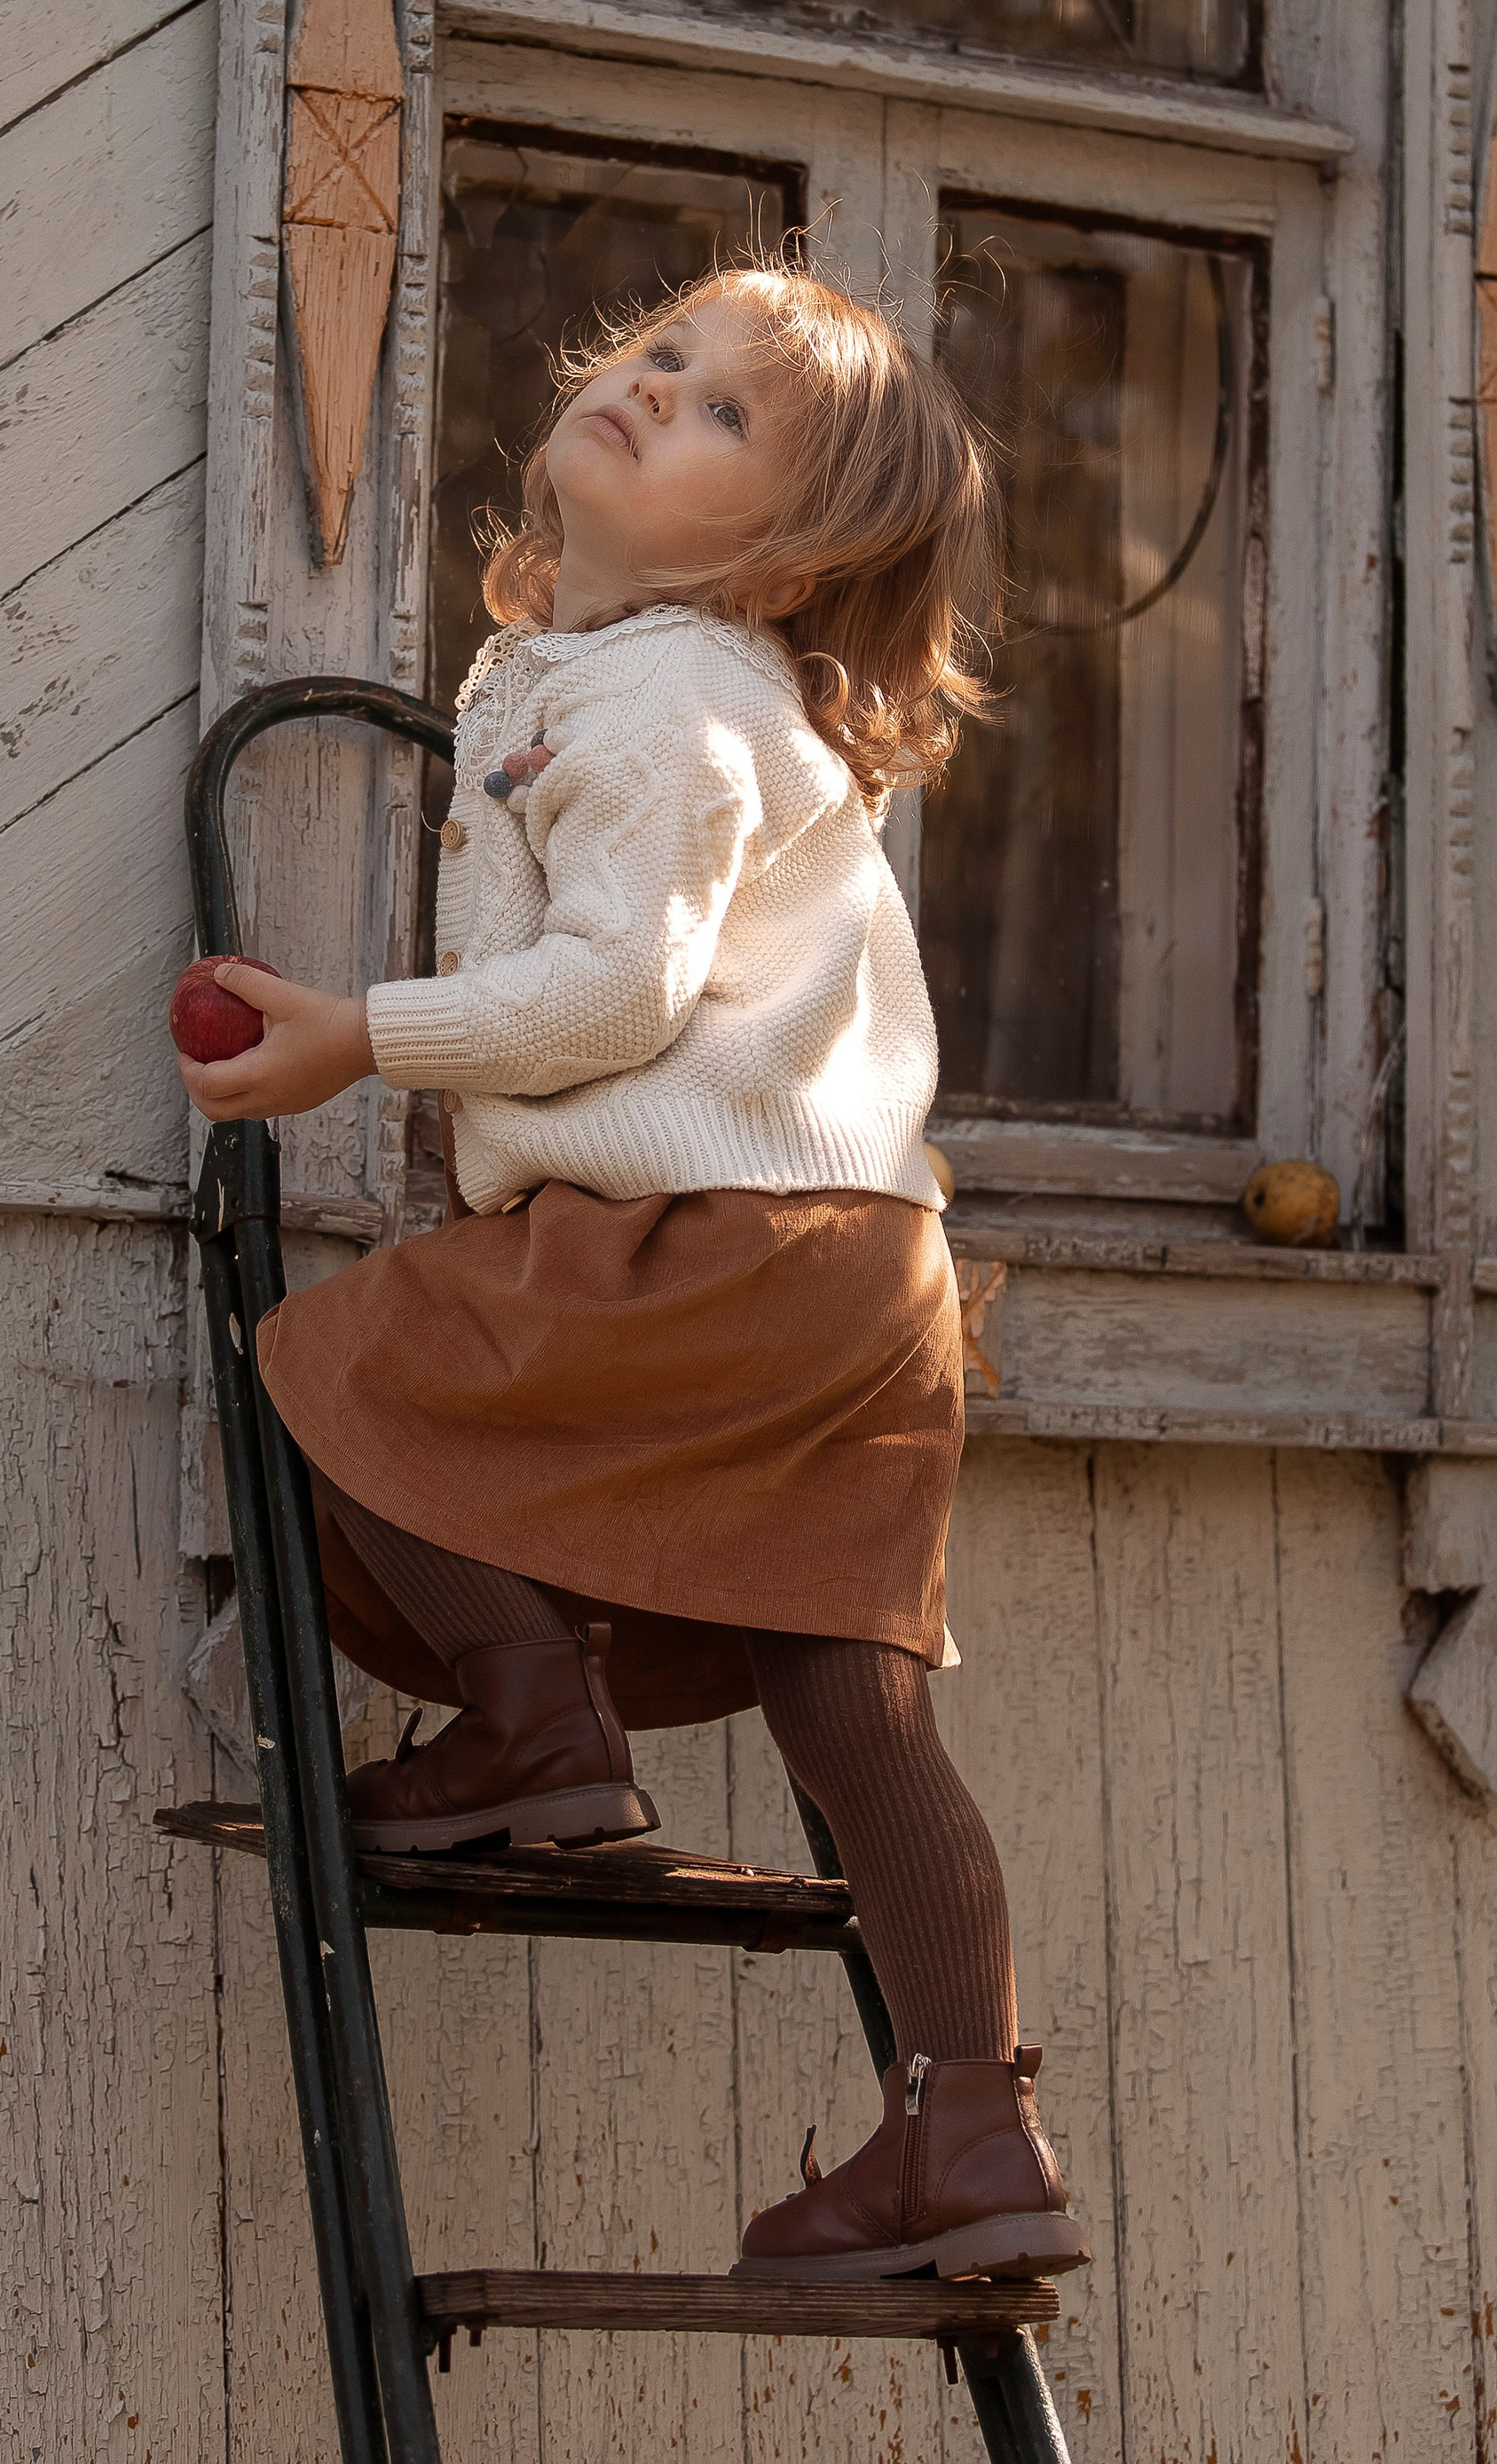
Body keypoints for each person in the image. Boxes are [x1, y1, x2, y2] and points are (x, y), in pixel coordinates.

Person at [176, 257, 1083, 2287]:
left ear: (784, 559)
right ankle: (968, 2135)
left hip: (726, 1232)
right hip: (862, 1261)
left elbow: (605, 994)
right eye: (661, 358)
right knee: (848, 1698)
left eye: (721, 415)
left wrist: (357, 1037)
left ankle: (532, 1725)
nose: (653, 392)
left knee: (347, 1356)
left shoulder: (667, 693)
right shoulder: (621, 685)